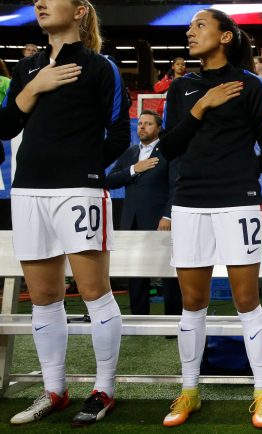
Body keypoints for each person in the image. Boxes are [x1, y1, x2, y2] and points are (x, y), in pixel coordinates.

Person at [0, 0, 130, 426]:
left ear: (79, 11)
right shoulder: (27, 68)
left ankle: (104, 390)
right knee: (42, 298)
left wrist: (85, 168)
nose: (39, 3)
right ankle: (54, 391)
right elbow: (6, 127)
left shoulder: (100, 67)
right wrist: (34, 87)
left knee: (94, 293)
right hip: (28, 190)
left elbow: (118, 134)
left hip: (78, 190)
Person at [157, 8, 262, 428]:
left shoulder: (252, 85)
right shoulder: (181, 88)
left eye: (200, 26)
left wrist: (239, 177)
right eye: (190, 27)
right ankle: (189, 391)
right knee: (193, 303)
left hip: (238, 202)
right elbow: (169, 147)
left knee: (247, 301)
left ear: (226, 36)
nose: (190, 33)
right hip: (189, 202)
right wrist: (202, 106)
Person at [105, 110, 182, 316]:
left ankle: (173, 320)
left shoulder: (168, 152)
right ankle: (138, 318)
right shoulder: (130, 153)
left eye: (148, 123)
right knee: (136, 273)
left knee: (169, 273)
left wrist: (168, 216)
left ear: (158, 128)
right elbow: (109, 180)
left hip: (160, 223)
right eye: (140, 123)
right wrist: (134, 169)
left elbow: (176, 186)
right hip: (132, 222)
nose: (142, 127)